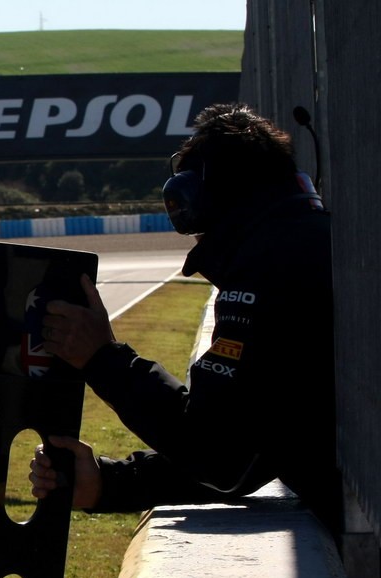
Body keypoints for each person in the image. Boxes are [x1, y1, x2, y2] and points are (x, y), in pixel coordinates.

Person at [29, 102, 340, 535]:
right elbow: (256, 451)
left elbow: (220, 453)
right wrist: (110, 483)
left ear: (200, 197)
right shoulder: (319, 245)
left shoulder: (270, 267)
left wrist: (102, 358)